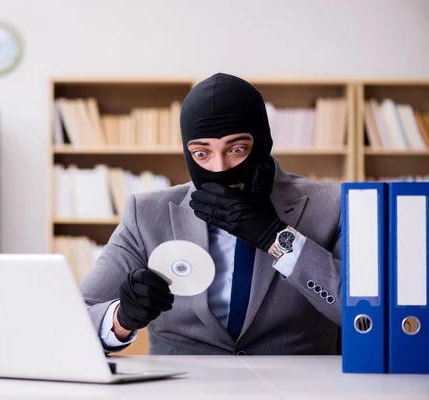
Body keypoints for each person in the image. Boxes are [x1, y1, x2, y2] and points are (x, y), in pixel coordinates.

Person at [79, 72, 341, 355]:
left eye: (237, 149)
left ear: (264, 142)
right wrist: (120, 318)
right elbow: (74, 318)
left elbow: (366, 315)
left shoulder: (331, 205)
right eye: (202, 154)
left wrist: (275, 237)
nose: (219, 168)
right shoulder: (146, 216)